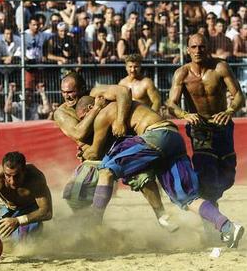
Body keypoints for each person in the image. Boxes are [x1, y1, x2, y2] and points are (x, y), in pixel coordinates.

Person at [76, 96, 244, 248]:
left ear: (91, 108)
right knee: (188, 198)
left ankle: (94, 222)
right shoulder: (124, 104)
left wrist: (83, 151)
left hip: (155, 136)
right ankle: (228, 226)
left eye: (84, 118)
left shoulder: (104, 113)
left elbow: (94, 152)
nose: (86, 124)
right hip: (172, 138)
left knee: (107, 170)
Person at [53, 72, 175, 231]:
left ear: (82, 88)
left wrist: (120, 120)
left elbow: (123, 91)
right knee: (74, 196)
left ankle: (161, 216)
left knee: (142, 176)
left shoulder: (95, 93)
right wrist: (96, 109)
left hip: (117, 148)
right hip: (93, 156)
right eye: (64, 92)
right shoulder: (62, 112)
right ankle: (90, 229)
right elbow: (79, 133)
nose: (67, 96)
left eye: (71, 92)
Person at [166, 34, 245, 204]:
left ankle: (209, 200)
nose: (197, 50)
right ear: (187, 50)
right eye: (193, 47)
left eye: (201, 46)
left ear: (207, 48)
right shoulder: (182, 73)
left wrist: (230, 111)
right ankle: (209, 214)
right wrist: (185, 115)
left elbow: (239, 95)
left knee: (228, 175)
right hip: (199, 128)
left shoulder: (220, 67)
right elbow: (171, 104)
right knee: (206, 170)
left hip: (222, 125)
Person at [0, 151, 52, 241]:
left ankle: (32, 231)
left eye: (16, 176)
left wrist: (18, 220)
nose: (12, 181)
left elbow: (47, 211)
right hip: (5, 207)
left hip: (28, 209)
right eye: (8, 175)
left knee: (25, 241)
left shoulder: (35, 178)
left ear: (24, 171)